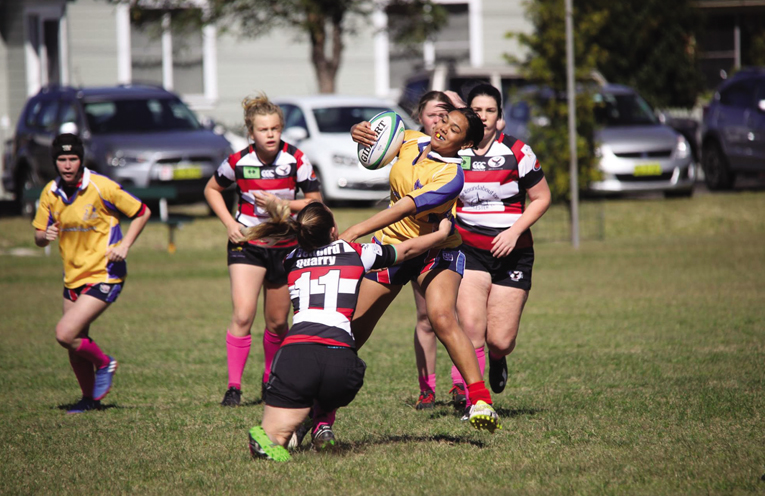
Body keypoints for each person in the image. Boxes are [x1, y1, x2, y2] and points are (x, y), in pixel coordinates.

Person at [245, 200, 454, 461]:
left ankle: (273, 436)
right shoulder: (354, 252)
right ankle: (319, 420)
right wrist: (441, 234)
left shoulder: (291, 259)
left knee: (277, 431)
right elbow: (408, 249)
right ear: (333, 231)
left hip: (296, 354)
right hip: (341, 363)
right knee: (330, 382)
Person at [340, 103, 501, 433]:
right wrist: (359, 133)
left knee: (441, 317)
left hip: (435, 251)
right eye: (443, 120)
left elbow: (405, 207)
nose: (442, 128)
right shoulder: (411, 139)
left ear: (466, 144)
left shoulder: (451, 176)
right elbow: (380, 140)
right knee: (351, 329)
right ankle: (314, 402)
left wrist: (355, 230)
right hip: (393, 247)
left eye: (453, 129)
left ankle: (480, 400)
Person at [204, 93, 322, 407]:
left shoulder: (295, 159)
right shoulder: (237, 161)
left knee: (278, 323)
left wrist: (283, 205)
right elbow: (212, 189)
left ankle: (271, 380)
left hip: (285, 246)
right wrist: (230, 223)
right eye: (263, 130)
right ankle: (233, 388)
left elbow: (316, 202)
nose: (269, 135)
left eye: (274, 129)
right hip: (248, 244)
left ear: (281, 129)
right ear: (251, 133)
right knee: (243, 314)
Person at [450, 83, 551, 418]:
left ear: (499, 116)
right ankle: (475, 402)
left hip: (514, 253)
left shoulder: (519, 152)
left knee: (501, 340)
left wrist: (514, 230)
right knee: (472, 328)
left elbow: (541, 198)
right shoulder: (454, 153)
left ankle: (497, 358)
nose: (483, 116)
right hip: (470, 251)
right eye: (477, 110)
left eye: (490, 111)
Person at [32, 133, 151, 413]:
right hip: (72, 277)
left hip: (104, 274)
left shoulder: (100, 186)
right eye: (62, 159)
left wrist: (125, 244)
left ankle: (104, 363)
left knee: (65, 333)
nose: (68, 165)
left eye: (73, 159)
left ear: (81, 160)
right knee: (75, 343)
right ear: (55, 162)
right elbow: (38, 235)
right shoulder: (50, 192)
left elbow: (142, 212)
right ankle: (89, 400)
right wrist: (43, 235)